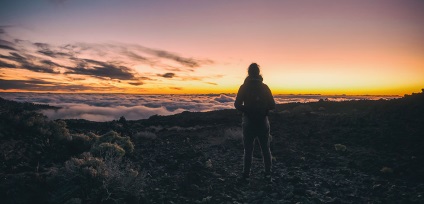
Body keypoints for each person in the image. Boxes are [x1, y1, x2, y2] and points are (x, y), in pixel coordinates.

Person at [234, 63, 276, 182]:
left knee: (248, 150)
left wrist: (246, 110)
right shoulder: (265, 87)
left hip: (248, 122)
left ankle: (246, 175)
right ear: (258, 73)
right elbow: (272, 105)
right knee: (265, 148)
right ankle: (268, 174)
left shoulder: (244, 87)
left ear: (248, 73)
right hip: (263, 121)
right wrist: (264, 110)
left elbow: (237, 104)